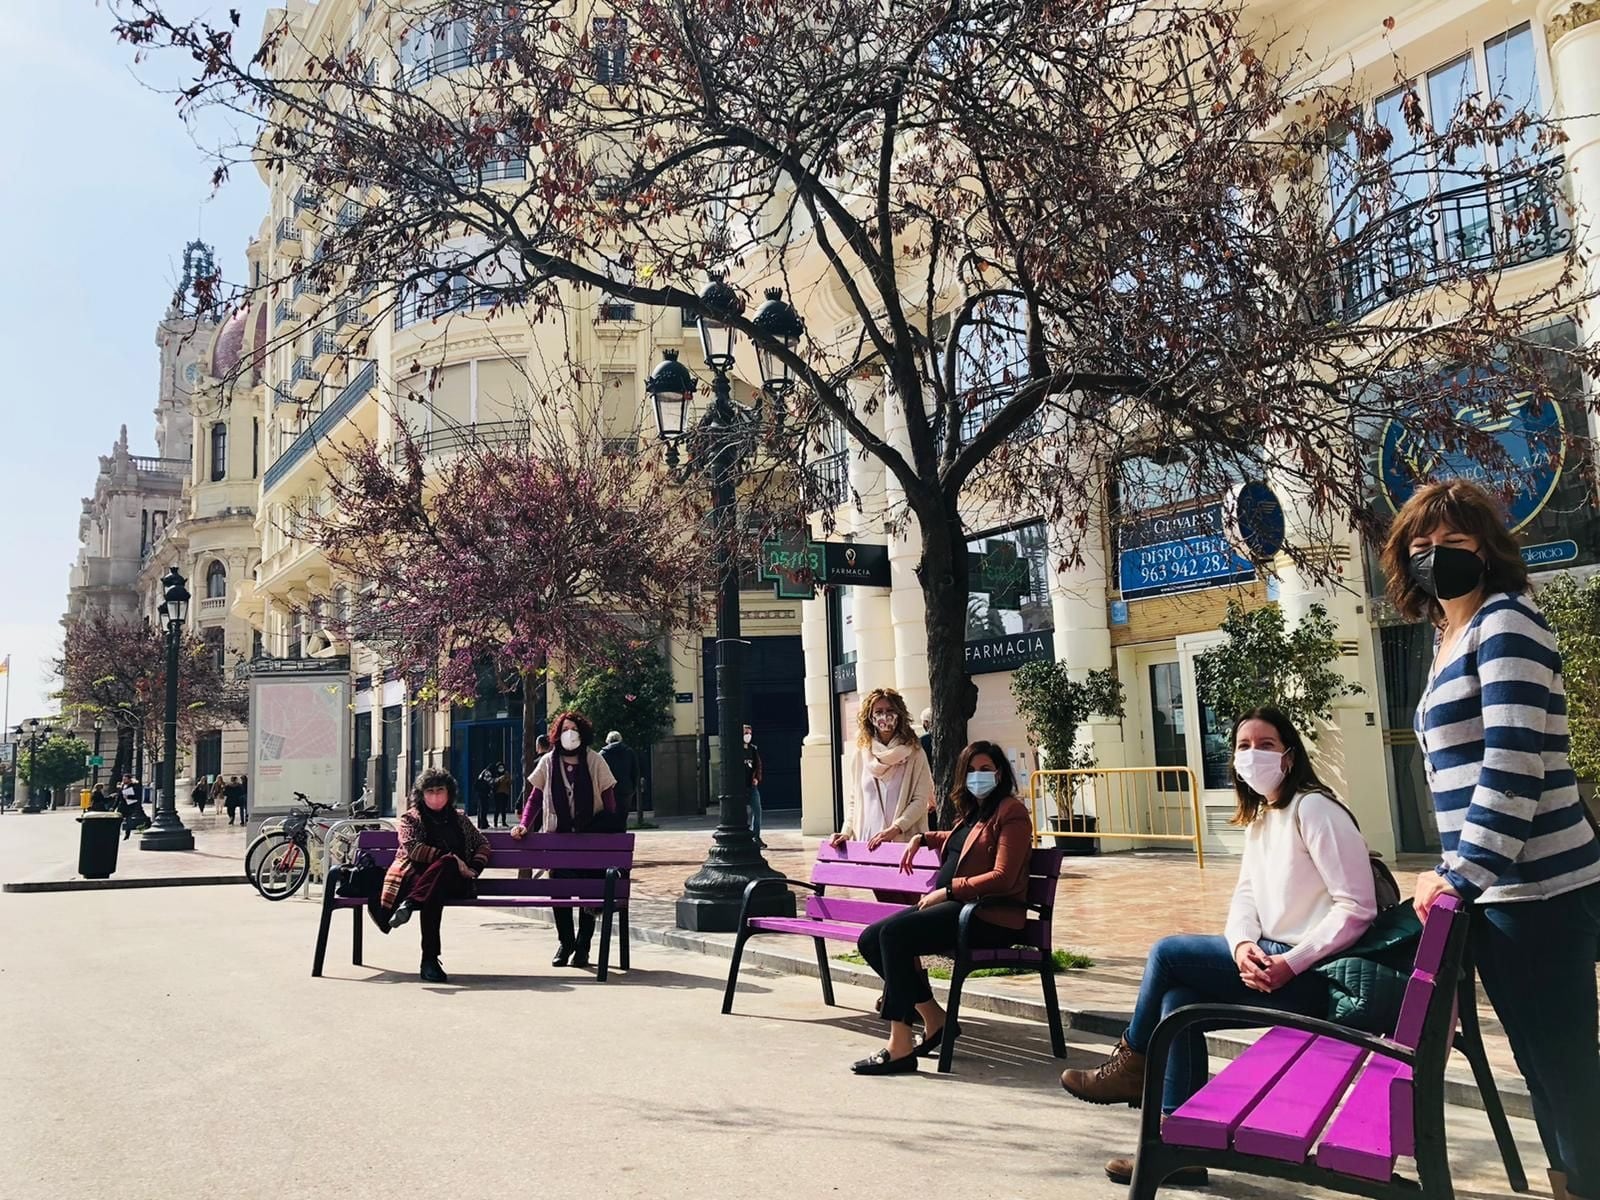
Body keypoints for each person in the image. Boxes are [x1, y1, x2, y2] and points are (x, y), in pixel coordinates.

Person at [1382, 478, 1600, 1200]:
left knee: (1564, 1067)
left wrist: (1460, 874)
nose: (1435, 555)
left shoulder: (1507, 623)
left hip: (1540, 891)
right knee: (1542, 1065)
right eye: (1421, 546)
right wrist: (1455, 871)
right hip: (1500, 892)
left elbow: (1513, 764)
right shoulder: (1448, 635)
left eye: (1453, 542)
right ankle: (1570, 1183)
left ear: (1487, 550)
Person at [1060, 706, 1378, 1185]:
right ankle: (1180, 1148)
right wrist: (1241, 945)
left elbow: (1357, 908)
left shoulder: (1314, 809)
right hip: (1269, 957)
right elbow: (1246, 897)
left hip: (1314, 976)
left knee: (1167, 954)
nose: (1253, 754)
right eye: (1243, 746)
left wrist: (1292, 962)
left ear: (1289, 756)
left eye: (1266, 745)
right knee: (1178, 1003)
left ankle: (1132, 1061)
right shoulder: (1263, 817)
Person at [850, 741, 1033, 1075]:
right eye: (971, 771)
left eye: (985, 769)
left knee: (893, 936)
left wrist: (948, 890)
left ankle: (900, 1045)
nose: (978, 776)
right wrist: (924, 838)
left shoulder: (1011, 812)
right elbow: (963, 841)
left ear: (999, 774)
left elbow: (1003, 877)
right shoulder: (976, 812)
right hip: (959, 910)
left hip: (986, 917)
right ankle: (935, 1018)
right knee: (871, 939)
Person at [511, 710, 618, 968]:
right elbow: (535, 797)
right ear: (557, 734)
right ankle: (566, 942)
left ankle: (583, 946)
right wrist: (524, 824)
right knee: (559, 890)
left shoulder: (595, 760)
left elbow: (609, 799)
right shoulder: (548, 762)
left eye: (574, 729)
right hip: (558, 842)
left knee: (589, 891)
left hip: (589, 840)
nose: (570, 734)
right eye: (565, 729)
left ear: (583, 733)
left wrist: (609, 832)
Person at [378, 768, 491, 983]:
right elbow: (413, 848)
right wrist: (452, 859)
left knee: (443, 872)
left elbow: (483, 844)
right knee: (435, 886)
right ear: (422, 794)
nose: (436, 795)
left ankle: (411, 904)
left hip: (456, 881)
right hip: (419, 878)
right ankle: (429, 961)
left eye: (440, 790)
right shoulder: (411, 819)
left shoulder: (459, 819)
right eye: (430, 791)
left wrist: (474, 868)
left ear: (449, 793)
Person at [829, 688, 934, 851]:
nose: (884, 716)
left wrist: (896, 828)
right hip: (867, 842)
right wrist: (846, 832)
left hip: (904, 843)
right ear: (870, 717)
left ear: (899, 714)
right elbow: (854, 801)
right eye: (878, 711)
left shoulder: (915, 753)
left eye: (890, 710)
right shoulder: (861, 754)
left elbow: (920, 800)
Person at [600, 732, 640, 831]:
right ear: (620, 739)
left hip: (609, 789)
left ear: (608, 740)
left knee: (610, 814)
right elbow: (635, 772)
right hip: (626, 789)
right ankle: (622, 833)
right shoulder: (629, 752)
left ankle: (612, 835)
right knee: (623, 815)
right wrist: (632, 788)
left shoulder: (602, 754)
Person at [741, 724, 765, 848]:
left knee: (757, 811)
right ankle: (744, 837)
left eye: (750, 733)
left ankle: (756, 836)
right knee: (741, 813)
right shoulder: (737, 750)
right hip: (740, 787)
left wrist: (756, 778)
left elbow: (758, 765)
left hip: (752, 786)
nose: (748, 736)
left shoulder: (753, 749)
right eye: (746, 733)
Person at [118, 775, 150, 840]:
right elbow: (119, 797)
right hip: (122, 806)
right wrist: (114, 807)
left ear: (129, 779)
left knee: (128, 820)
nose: (123, 780)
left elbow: (137, 796)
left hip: (129, 806)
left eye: (125, 779)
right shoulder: (122, 786)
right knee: (118, 820)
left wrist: (128, 797)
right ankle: (118, 833)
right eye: (123, 779)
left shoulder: (134, 786)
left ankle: (127, 834)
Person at [492, 762, 513, 829]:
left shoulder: (506, 774)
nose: (501, 769)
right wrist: (500, 779)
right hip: (497, 793)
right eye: (499, 767)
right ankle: (495, 823)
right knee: (497, 808)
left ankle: (504, 822)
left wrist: (507, 779)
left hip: (505, 793)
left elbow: (510, 782)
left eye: (502, 767)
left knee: (504, 808)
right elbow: (493, 782)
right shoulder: (495, 774)